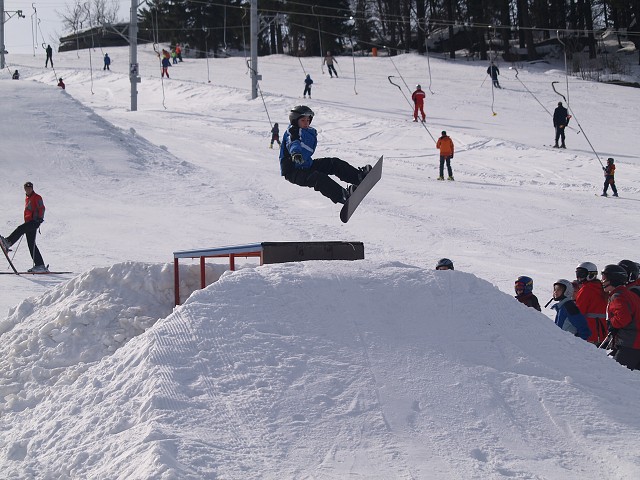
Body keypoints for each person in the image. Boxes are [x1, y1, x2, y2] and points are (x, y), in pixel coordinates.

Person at [279, 105, 372, 204]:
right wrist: (295, 153)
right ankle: (343, 196)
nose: (306, 123)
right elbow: (293, 142)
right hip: (293, 171)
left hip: (307, 165)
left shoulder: (308, 132)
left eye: (308, 120)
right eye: (303, 120)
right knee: (318, 178)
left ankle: (357, 177)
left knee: (333, 163)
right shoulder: (293, 131)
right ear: (294, 120)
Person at [0, 182, 48, 273]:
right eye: (26, 188)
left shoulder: (37, 197)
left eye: (30, 188)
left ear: (32, 188)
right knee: (31, 244)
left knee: (20, 229)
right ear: (24, 189)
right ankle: (40, 265)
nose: (28, 190)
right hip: (29, 222)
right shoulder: (28, 198)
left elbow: (42, 208)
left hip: (34, 222)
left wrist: (40, 219)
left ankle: (8, 242)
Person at [600, 264, 640, 370]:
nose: (602, 281)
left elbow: (623, 319)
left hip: (629, 344)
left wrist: (611, 323)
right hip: (634, 343)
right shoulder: (629, 294)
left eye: (604, 278)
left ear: (613, 279)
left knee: (616, 375)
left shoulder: (618, 296)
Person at [574, 261, 608, 345]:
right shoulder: (601, 287)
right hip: (601, 330)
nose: (579, 277)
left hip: (589, 331)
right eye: (577, 273)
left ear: (590, 274)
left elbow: (579, 311)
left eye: (581, 274)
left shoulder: (586, 289)